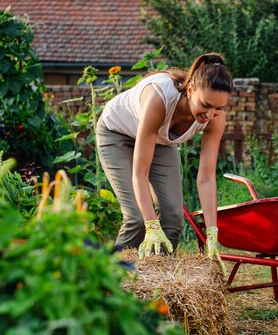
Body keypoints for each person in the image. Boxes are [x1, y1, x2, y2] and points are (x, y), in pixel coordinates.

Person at [96, 53, 232, 272]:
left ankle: (159, 284)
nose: (210, 115)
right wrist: (151, 225)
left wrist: (212, 233)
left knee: (172, 216)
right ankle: (111, 282)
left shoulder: (215, 117)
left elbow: (206, 178)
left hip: (160, 140)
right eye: (205, 105)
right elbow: (140, 174)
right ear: (190, 90)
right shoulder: (159, 97)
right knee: (138, 218)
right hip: (116, 134)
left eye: (219, 108)